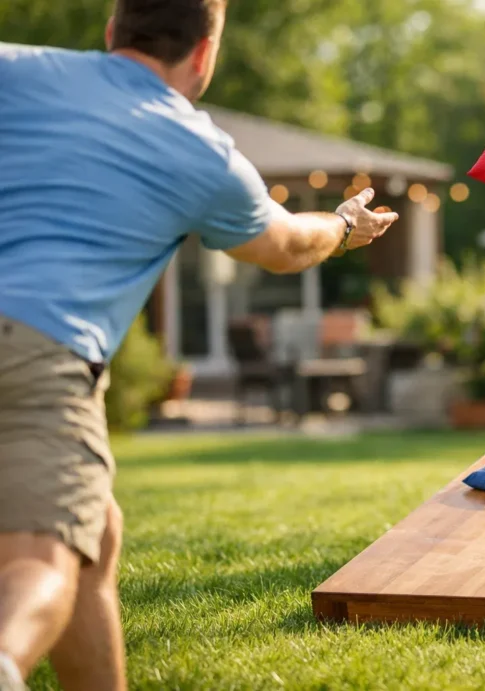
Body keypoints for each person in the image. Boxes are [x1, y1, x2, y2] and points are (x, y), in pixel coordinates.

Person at [0, 1, 399, 689]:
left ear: (110, 32)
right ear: (204, 55)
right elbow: (288, 246)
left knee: (96, 533)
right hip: (38, 347)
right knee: (42, 556)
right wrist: (342, 222)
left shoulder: (16, 68)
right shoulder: (201, 153)